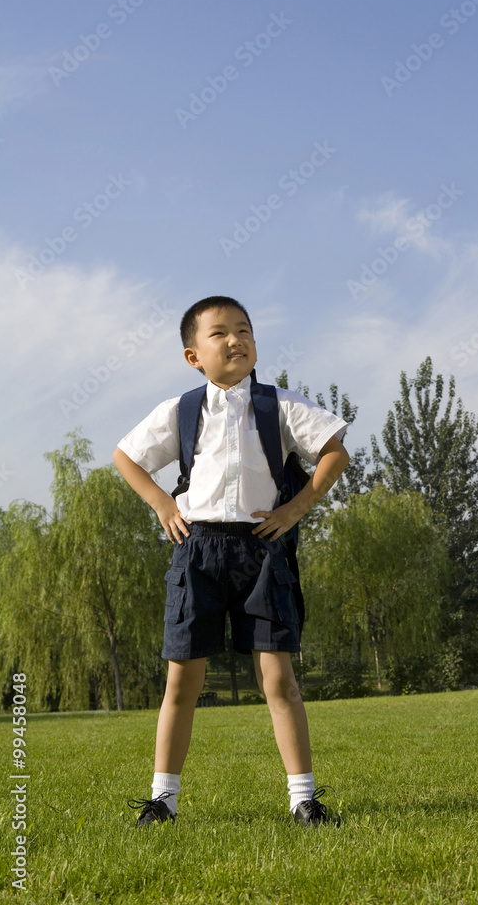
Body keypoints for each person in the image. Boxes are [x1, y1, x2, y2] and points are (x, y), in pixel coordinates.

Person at [113, 295, 350, 828]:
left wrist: (295, 508)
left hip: (262, 550)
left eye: (244, 330)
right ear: (193, 355)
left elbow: (335, 450)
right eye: (219, 333)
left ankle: (304, 801)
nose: (235, 339)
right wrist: (159, 503)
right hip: (195, 551)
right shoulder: (181, 410)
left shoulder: (279, 404)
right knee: (182, 683)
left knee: (279, 679)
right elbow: (125, 456)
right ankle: (162, 801)